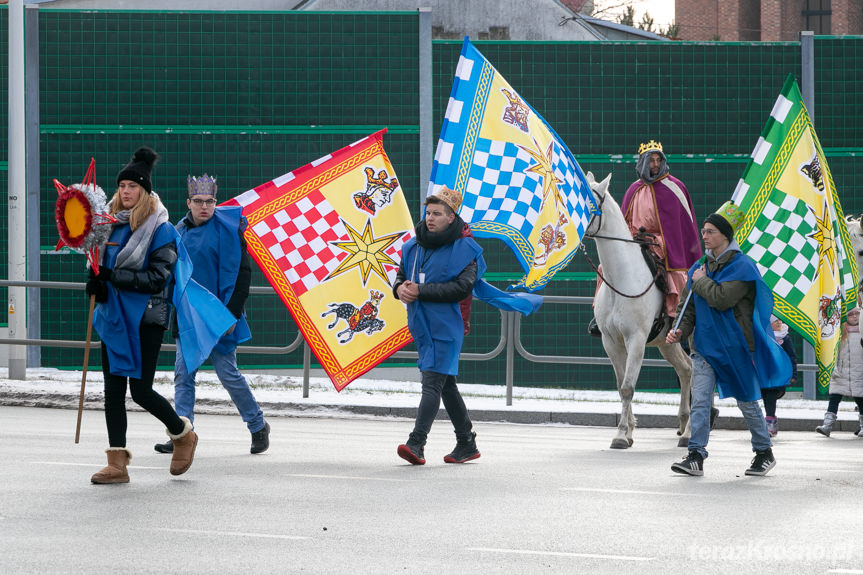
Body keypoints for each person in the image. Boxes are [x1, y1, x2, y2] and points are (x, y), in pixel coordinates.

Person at [86, 147, 199, 484]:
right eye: (121, 186)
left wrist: (112, 279)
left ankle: (182, 434)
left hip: (147, 318)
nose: (125, 191)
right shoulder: (108, 226)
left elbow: (156, 278)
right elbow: (100, 268)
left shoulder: (161, 230)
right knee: (111, 391)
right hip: (114, 318)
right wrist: (96, 285)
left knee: (140, 390)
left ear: (145, 191)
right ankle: (116, 462)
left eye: (132, 186)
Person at [666, 201, 791, 477]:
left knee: (747, 401)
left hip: (737, 348)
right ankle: (696, 454)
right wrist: (679, 331)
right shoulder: (700, 267)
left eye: (710, 231)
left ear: (725, 235)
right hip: (704, 348)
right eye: (704, 230)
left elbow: (721, 299)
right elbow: (689, 308)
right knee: (699, 401)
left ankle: (764, 452)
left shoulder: (743, 267)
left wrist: (699, 281)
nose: (704, 235)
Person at [153, 174, 270, 456]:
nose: (204, 206)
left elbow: (242, 275)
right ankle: (182, 434)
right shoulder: (177, 232)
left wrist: (232, 313)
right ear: (188, 202)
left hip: (221, 315)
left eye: (210, 201)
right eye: (199, 201)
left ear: (215, 203)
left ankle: (257, 425)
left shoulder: (230, 229)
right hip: (189, 317)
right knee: (184, 374)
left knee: (227, 373)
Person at [393, 187, 482, 465]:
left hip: (448, 325)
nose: (430, 218)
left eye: (437, 214)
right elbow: (400, 276)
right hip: (421, 324)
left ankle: (416, 443)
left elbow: (461, 287)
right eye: (428, 213)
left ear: (451, 217)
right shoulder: (412, 246)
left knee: (432, 381)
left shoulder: (466, 248)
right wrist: (399, 289)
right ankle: (466, 442)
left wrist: (420, 290)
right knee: (446, 385)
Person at [589, 140, 701, 335]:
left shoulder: (675, 187)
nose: (656, 164)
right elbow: (624, 221)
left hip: (662, 243)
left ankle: (675, 315)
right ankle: (601, 317)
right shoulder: (633, 189)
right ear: (643, 162)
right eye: (651, 160)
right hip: (633, 241)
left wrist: (657, 239)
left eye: (658, 160)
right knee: (604, 267)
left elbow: (681, 227)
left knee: (674, 273)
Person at [815, 307, 863, 437]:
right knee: (834, 398)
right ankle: (827, 425)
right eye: (850, 314)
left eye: (857, 314)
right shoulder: (839, 333)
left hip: (858, 373)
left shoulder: (862, 333)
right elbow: (832, 353)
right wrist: (832, 368)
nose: (854, 317)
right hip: (840, 373)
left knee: (860, 400)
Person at [763, 316, 798, 437]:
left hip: (778, 374)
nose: (778, 322)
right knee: (766, 397)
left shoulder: (785, 338)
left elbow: (791, 356)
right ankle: (766, 423)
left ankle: (770, 424)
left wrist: (793, 374)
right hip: (764, 373)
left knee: (771, 396)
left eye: (780, 320)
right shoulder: (763, 335)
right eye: (775, 321)